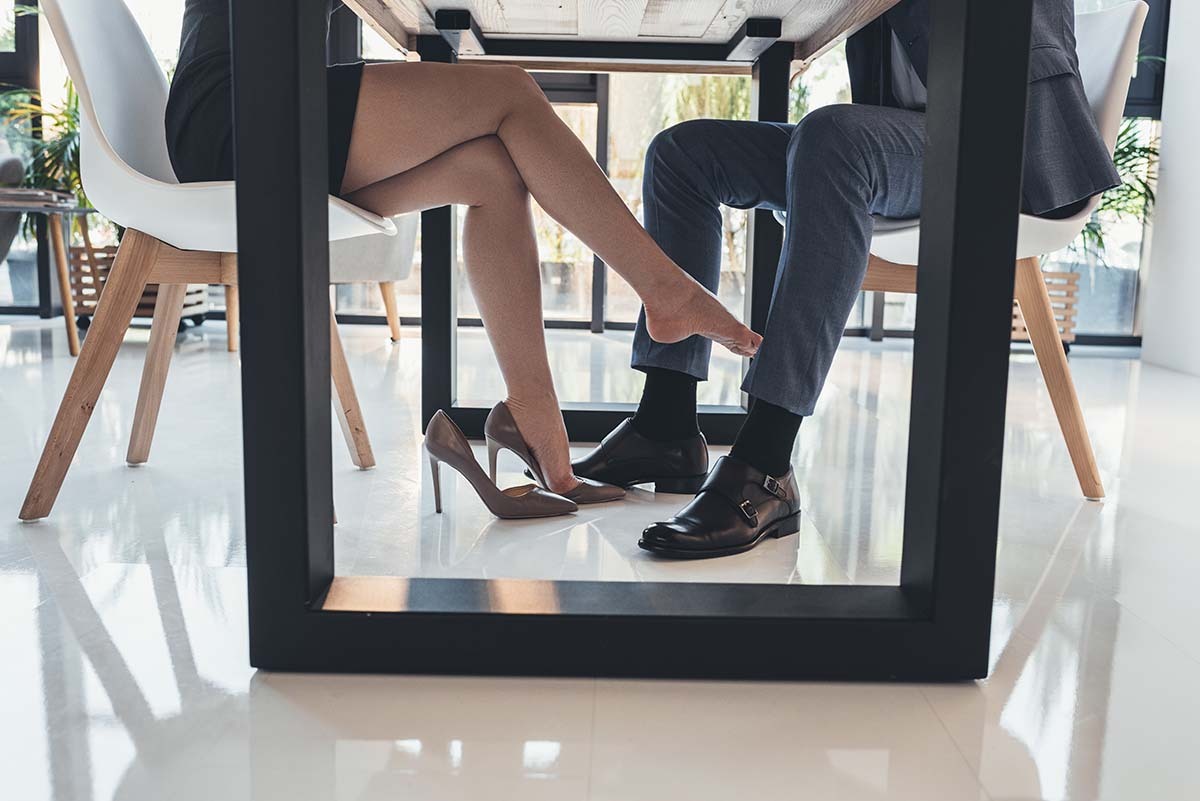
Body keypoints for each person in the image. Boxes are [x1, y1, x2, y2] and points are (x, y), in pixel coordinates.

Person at [572, 0, 1120, 558]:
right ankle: (665, 426)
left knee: (833, 139)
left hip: (1004, 149)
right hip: (910, 142)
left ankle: (765, 464)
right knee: (684, 154)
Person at [164, 0, 760, 512]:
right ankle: (665, 290)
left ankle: (538, 426)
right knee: (509, 89)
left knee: (492, 173)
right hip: (237, 119)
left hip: (277, 119)